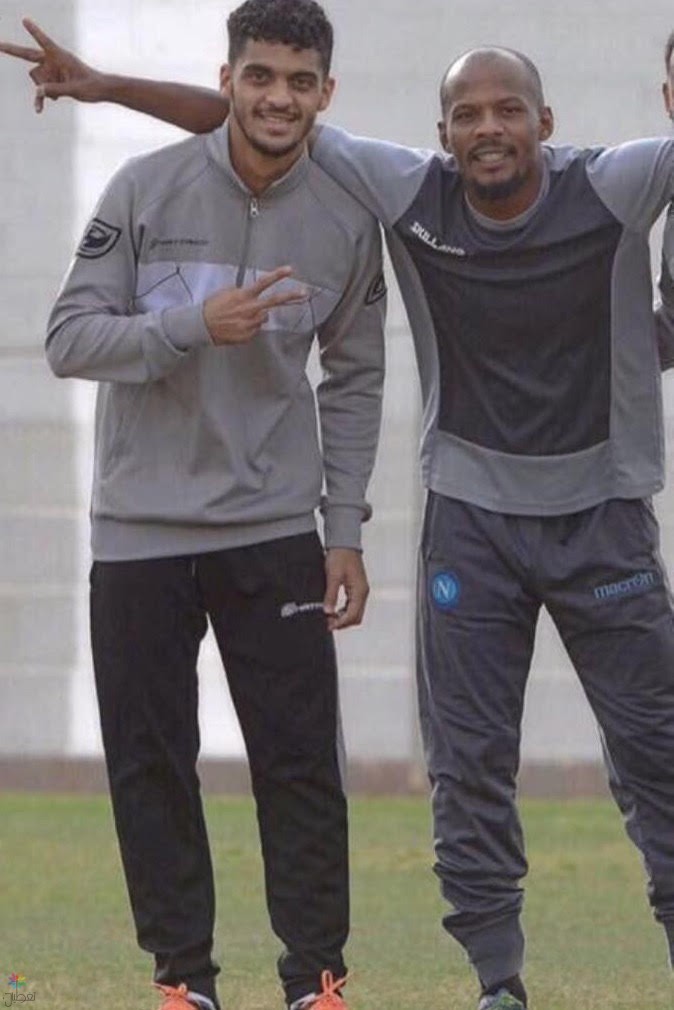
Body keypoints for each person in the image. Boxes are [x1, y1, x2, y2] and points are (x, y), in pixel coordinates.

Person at [4, 22, 674, 1010]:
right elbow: (254, 124)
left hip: (587, 516)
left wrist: (345, 528)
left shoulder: (610, 184)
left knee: (653, 756)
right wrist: (104, 89)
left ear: (546, 121)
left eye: (507, 111)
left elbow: (275, 131)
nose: (487, 128)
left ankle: (333, 977)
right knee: (460, 769)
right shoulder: (407, 192)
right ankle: (485, 979)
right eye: (466, 114)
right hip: (457, 521)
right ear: (441, 133)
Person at [0, 4, 386, 1010]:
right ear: (227, 80)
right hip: (140, 531)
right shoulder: (144, 187)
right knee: (151, 763)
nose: (277, 98)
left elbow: (354, 377)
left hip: (276, 530)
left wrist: (344, 529)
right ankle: (185, 981)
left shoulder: (348, 214)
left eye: (298, 81)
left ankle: (315, 981)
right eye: (260, 76)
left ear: (326, 93)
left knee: (300, 763)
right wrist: (188, 325)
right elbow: (70, 339)